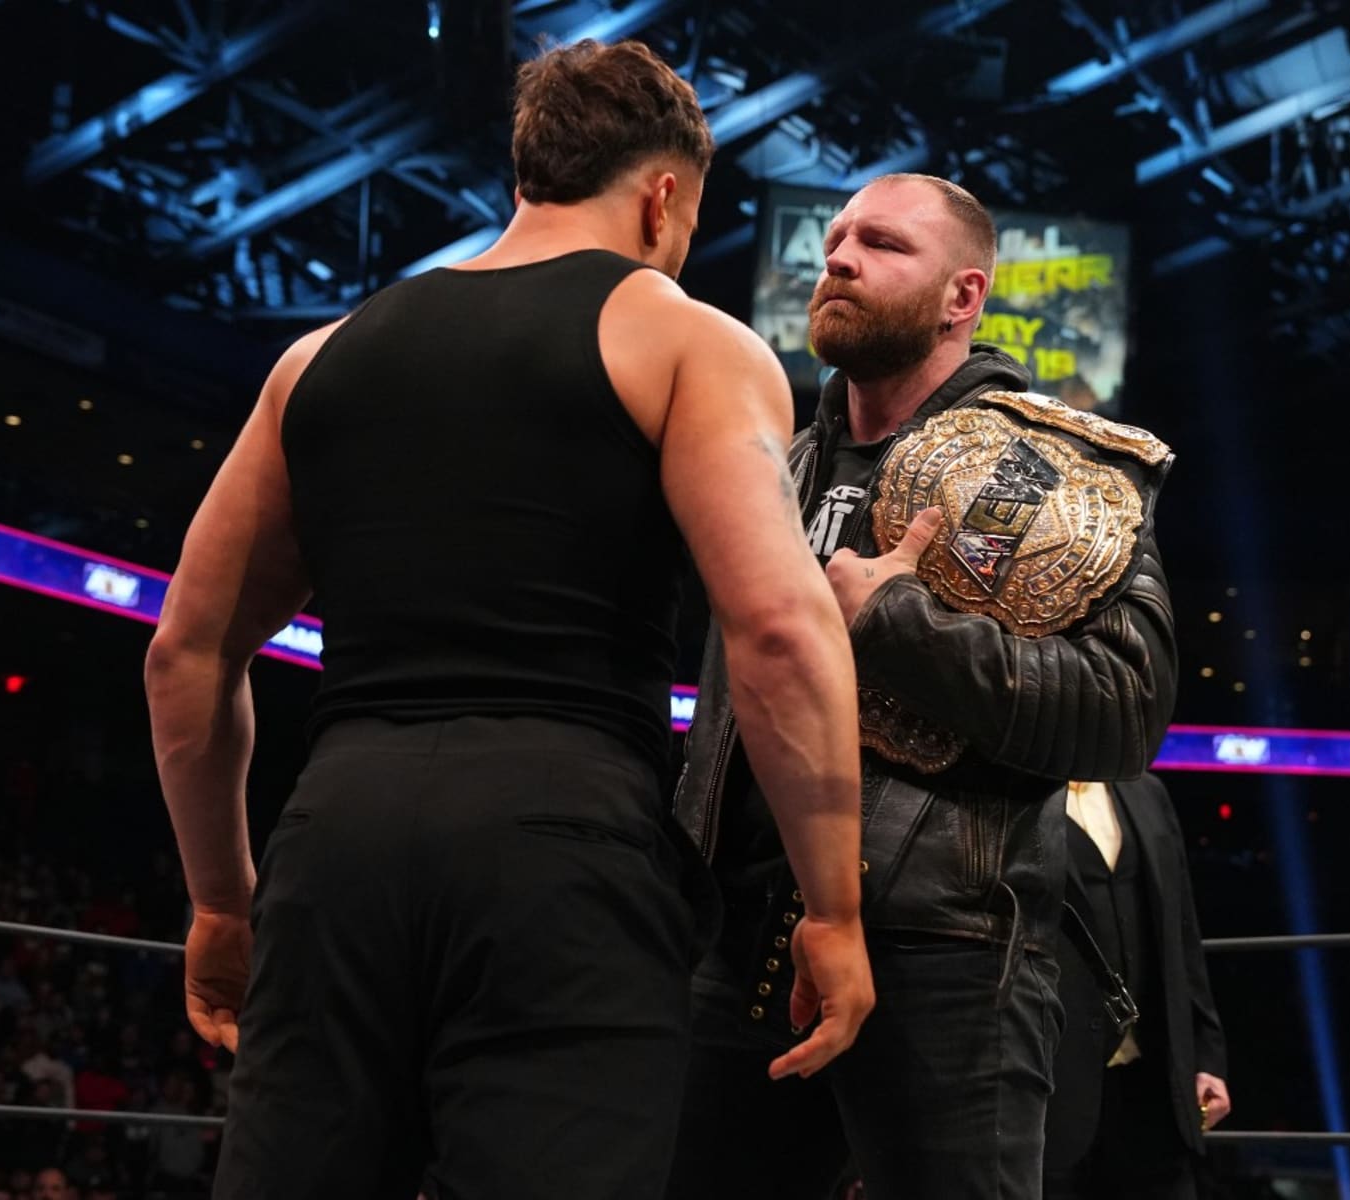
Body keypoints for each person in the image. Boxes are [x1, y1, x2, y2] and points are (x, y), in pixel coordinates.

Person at [145, 37, 872, 1200]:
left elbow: (186, 653)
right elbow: (781, 631)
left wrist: (223, 901)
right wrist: (833, 907)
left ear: (529, 175)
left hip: (338, 838)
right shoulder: (687, 339)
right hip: (563, 840)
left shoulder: (317, 358)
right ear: (664, 195)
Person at [667, 174, 1178, 1200]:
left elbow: (1126, 709)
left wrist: (897, 621)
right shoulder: (776, 465)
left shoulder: (1037, 475)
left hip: (945, 956)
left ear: (964, 296)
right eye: (837, 239)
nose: (839, 257)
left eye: (885, 244)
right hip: (737, 945)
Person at [1043, 774, 1230, 1200]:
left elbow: (1181, 926)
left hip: (1153, 1075)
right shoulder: (1017, 791)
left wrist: (1207, 1054)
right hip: (1057, 1076)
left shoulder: (1146, 791)